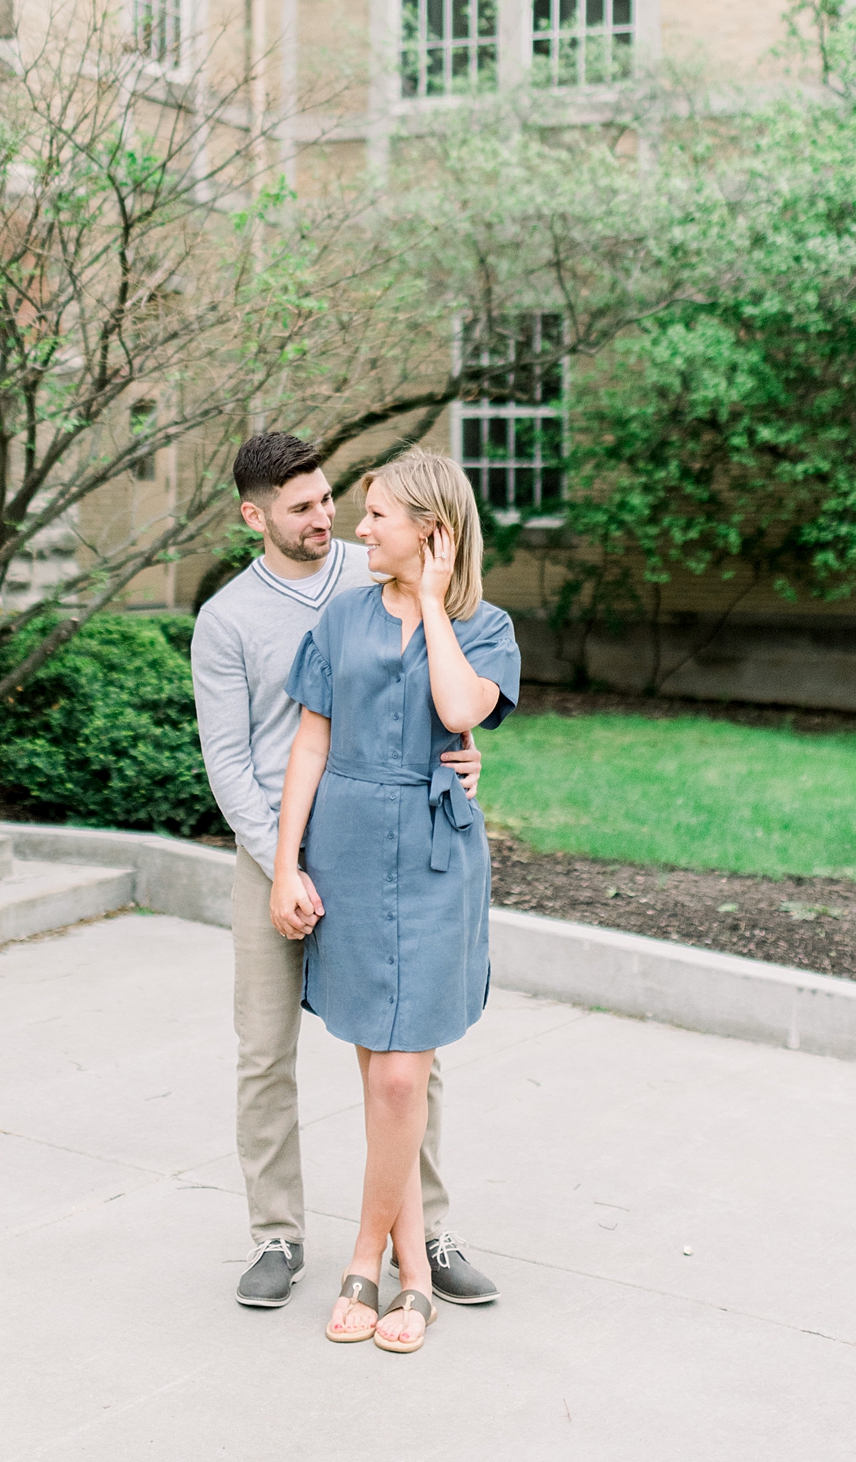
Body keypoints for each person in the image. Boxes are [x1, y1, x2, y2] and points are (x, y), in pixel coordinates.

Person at [191, 430, 501, 1313]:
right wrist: (283, 864)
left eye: (332, 499)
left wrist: (470, 753)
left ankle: (425, 1231)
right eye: (303, 508)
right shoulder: (228, 621)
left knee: (409, 1053)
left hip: (383, 848)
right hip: (280, 850)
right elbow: (232, 760)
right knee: (264, 1049)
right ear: (256, 518)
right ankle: (277, 1235)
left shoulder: (378, 573)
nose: (330, 520)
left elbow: (444, 674)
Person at [270, 447, 520, 1354]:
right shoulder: (339, 619)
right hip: (345, 843)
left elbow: (459, 709)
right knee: (383, 1078)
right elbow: (308, 745)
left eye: (378, 515)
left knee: (405, 1074)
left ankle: (365, 1256)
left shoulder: (487, 628)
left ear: (432, 531)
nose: (358, 527)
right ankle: (414, 1276)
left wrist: (434, 600)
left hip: (436, 856)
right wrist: (285, 864)